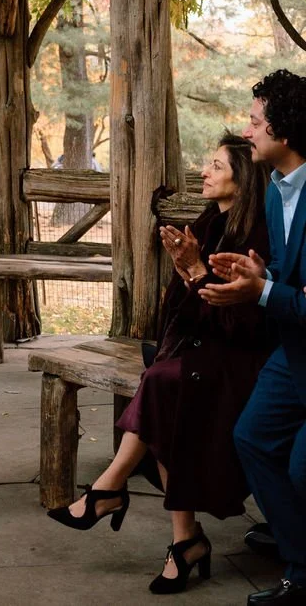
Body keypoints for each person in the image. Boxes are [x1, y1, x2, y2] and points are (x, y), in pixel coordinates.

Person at [47, 133, 273, 595]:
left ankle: (113, 490)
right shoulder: (211, 220)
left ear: (242, 179)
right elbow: (187, 308)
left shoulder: (255, 234)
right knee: (164, 388)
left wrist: (195, 273)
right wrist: (185, 270)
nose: (204, 172)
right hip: (199, 348)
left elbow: (240, 322)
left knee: (162, 387)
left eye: (216, 166)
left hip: (241, 357)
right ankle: (180, 537)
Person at [202, 69, 306, 606]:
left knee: (301, 468)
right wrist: (258, 270)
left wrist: (261, 291)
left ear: (284, 133)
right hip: (293, 352)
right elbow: (288, 275)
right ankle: (301, 561)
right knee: (251, 437)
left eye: (256, 123)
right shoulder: (274, 191)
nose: (248, 133)